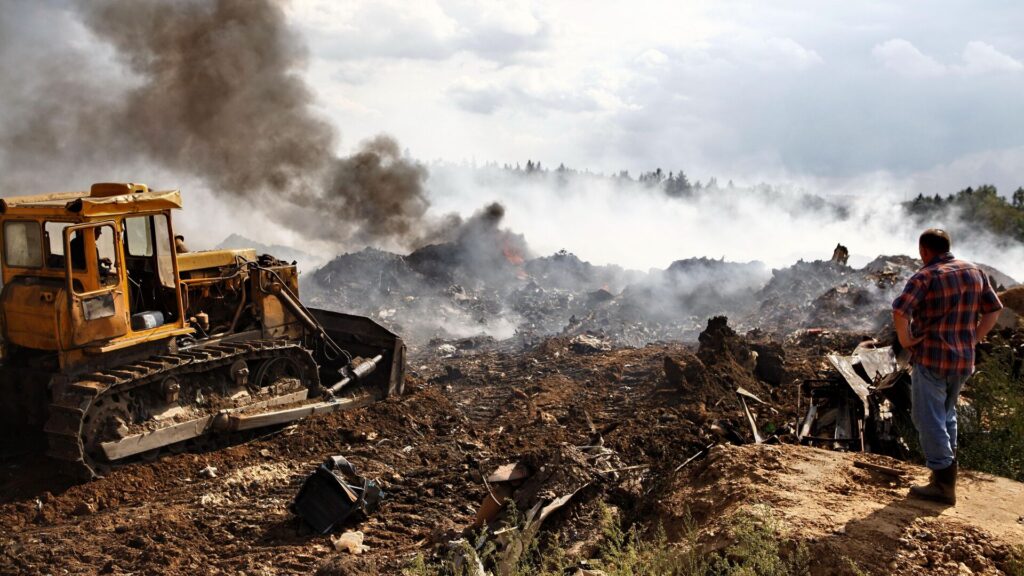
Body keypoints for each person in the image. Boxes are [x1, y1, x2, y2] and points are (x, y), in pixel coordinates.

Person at [892, 228, 1002, 505]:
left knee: (927, 418)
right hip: (963, 359)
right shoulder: (974, 271)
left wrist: (906, 340)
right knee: (946, 415)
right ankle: (944, 476)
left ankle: (943, 484)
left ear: (924, 251)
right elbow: (994, 309)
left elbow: (900, 310)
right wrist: (974, 338)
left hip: (931, 357)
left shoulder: (926, 276)